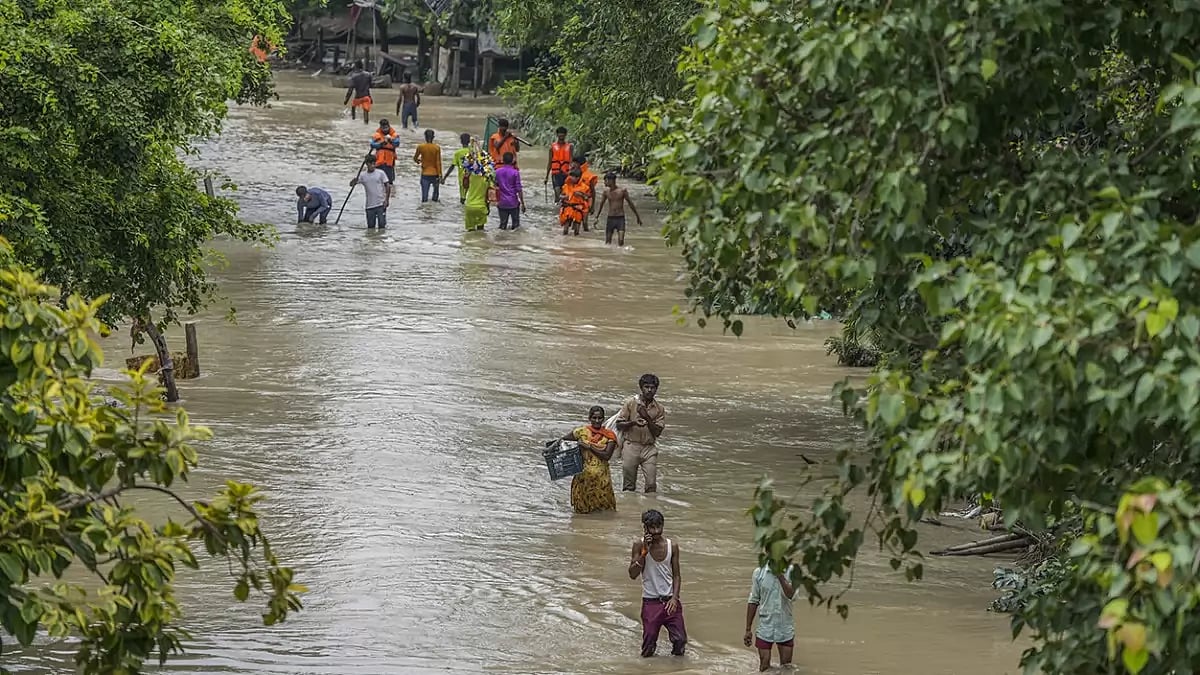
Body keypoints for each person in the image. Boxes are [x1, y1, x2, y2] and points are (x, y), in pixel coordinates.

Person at [628, 509, 686, 658]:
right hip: (650, 603)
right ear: (645, 529)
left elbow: (677, 575)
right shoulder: (638, 545)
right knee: (648, 647)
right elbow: (632, 574)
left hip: (670, 601)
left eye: (658, 527)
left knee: (680, 641)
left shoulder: (672, 546)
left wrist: (675, 598)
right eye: (652, 528)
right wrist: (644, 553)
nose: (656, 531)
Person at [559, 405, 617, 514]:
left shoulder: (609, 436)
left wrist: (589, 447)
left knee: (603, 508)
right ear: (589, 418)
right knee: (582, 509)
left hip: (601, 479)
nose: (597, 421)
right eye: (594, 418)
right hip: (582, 477)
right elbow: (563, 440)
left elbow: (606, 455)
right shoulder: (581, 432)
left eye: (600, 418)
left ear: (603, 419)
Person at [616, 374, 666, 492]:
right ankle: (631, 507)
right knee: (628, 486)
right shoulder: (630, 403)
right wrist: (633, 423)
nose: (649, 390)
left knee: (651, 485)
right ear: (641, 388)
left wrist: (646, 417)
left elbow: (658, 432)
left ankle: (649, 508)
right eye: (646, 387)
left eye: (652, 387)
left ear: (656, 389)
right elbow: (619, 425)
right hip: (631, 445)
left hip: (649, 448)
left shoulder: (659, 408)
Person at [745, 563, 797, 672]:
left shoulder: (792, 571)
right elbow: (753, 600)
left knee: (786, 668)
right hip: (765, 626)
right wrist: (748, 629)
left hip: (785, 626)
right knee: (764, 668)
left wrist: (780, 576)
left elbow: (792, 595)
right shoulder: (759, 573)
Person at [592, 173, 643, 245]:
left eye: (605, 181)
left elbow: (630, 203)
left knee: (621, 240)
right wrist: (597, 217)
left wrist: (637, 217)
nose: (604, 183)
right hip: (610, 218)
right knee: (608, 242)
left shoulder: (622, 191)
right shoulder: (606, 192)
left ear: (611, 180)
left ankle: (620, 255)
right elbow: (601, 204)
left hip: (620, 218)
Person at [349, 157, 391, 229]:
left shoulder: (380, 173)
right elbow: (351, 184)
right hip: (369, 206)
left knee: (382, 225)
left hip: (381, 204)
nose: (373, 166)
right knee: (371, 227)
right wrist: (354, 180)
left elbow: (388, 186)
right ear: (367, 164)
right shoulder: (362, 175)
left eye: (374, 164)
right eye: (371, 164)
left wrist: (386, 199)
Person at [461, 143, 493, 232]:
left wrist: (466, 176)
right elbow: (489, 195)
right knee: (480, 232)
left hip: (469, 206)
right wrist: (488, 208)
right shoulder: (487, 178)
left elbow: (465, 186)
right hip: (481, 207)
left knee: (470, 233)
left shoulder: (470, 175)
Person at [494, 152, 526, 230]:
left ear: (503, 160)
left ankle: (501, 240)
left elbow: (495, 186)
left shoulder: (497, 172)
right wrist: (522, 203)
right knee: (516, 226)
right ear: (512, 161)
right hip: (513, 203)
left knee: (502, 225)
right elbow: (519, 189)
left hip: (502, 202)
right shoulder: (515, 172)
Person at [413, 128, 443, 203]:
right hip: (435, 174)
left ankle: (425, 212)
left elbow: (415, 158)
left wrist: (418, 161)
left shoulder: (421, 147)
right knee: (435, 197)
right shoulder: (436, 148)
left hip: (425, 174)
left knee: (424, 198)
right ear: (433, 137)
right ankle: (433, 211)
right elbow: (438, 162)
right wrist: (440, 175)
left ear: (425, 137)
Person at [544, 126, 574, 200]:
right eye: (560, 135)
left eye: (563, 136)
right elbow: (550, 162)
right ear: (557, 135)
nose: (561, 137)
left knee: (565, 193)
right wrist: (546, 177)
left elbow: (571, 160)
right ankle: (557, 207)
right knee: (557, 192)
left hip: (566, 173)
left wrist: (573, 173)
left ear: (565, 135)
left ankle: (562, 209)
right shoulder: (552, 147)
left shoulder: (570, 147)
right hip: (556, 173)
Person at [443, 133, 472, 205]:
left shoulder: (458, 153)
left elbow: (452, 166)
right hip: (473, 178)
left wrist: (445, 177)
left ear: (461, 141)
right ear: (469, 141)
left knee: (463, 199)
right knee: (471, 197)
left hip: (462, 178)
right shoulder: (473, 152)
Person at [559, 169, 589, 236]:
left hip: (578, 209)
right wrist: (563, 197)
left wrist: (581, 195)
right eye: (571, 176)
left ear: (578, 177)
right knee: (565, 229)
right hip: (568, 208)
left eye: (573, 177)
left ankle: (576, 243)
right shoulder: (566, 186)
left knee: (576, 231)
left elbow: (587, 198)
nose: (571, 178)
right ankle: (565, 241)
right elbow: (560, 195)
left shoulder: (584, 187)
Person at [370, 119, 400, 184]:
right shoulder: (376, 134)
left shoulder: (394, 135)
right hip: (379, 161)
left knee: (389, 181)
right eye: (383, 128)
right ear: (380, 127)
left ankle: (390, 193)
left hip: (389, 161)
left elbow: (397, 143)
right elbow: (372, 144)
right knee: (378, 180)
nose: (385, 129)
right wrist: (381, 144)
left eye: (386, 127)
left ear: (389, 126)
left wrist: (391, 140)